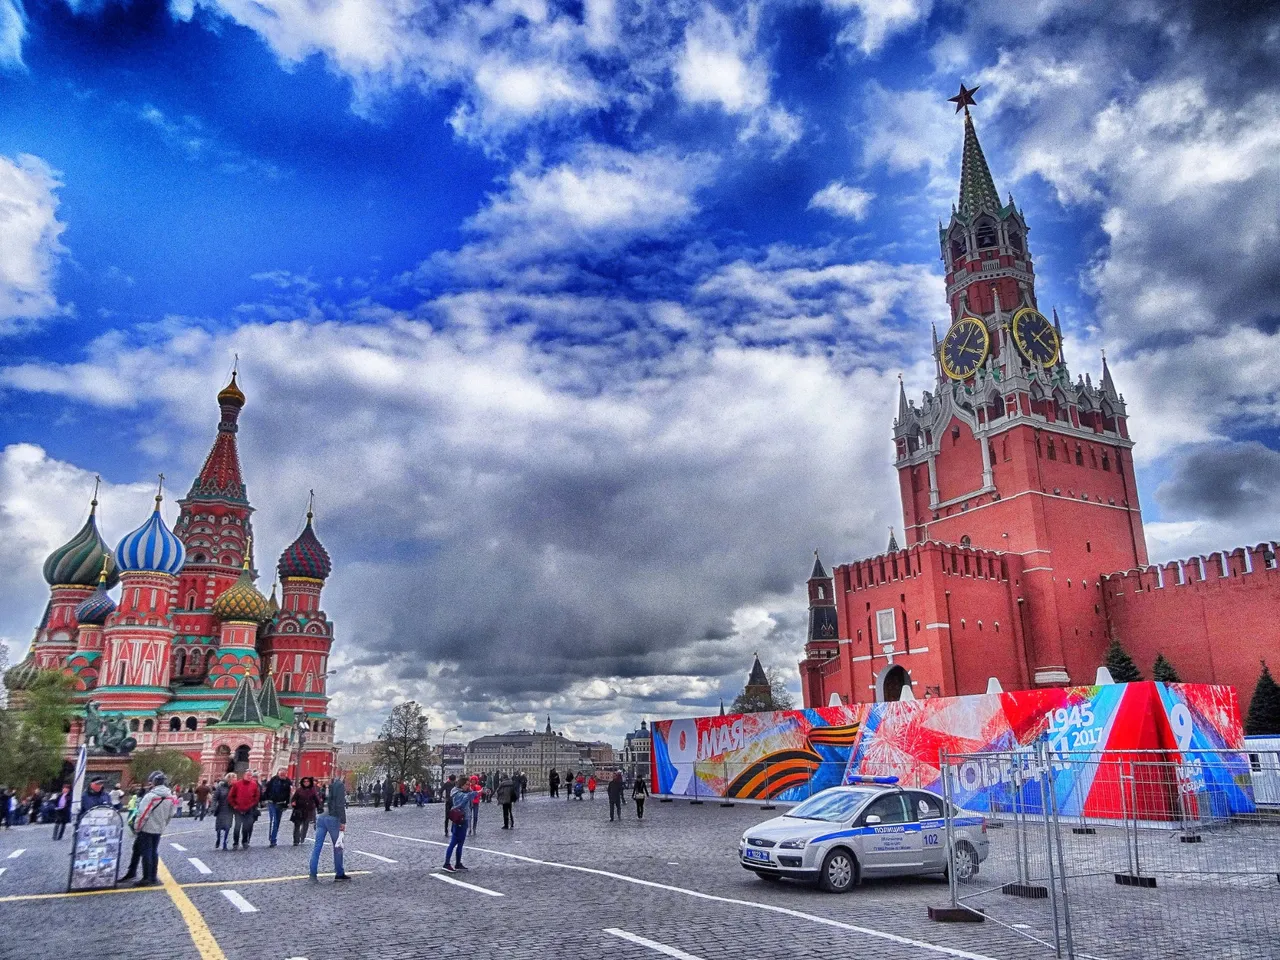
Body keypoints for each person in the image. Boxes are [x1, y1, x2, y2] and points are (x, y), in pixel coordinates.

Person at [130, 771, 177, 887]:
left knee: (146, 852)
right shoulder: (171, 797)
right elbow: (171, 813)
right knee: (154, 851)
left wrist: (137, 827)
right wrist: (163, 825)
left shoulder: (151, 796)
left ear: (154, 782)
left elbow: (143, 814)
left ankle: (147, 877)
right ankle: (153, 875)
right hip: (159, 828)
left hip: (147, 828)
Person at [309, 778, 349, 882]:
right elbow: (340, 805)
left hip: (322, 817)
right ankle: (339, 873)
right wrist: (343, 821)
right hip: (333, 817)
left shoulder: (329, 785)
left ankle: (312, 874)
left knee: (317, 847)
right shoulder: (339, 786)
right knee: (338, 846)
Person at [442, 776, 474, 873]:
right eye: (466, 785)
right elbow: (464, 800)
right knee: (453, 842)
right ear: (462, 785)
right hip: (460, 819)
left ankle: (458, 863)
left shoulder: (462, 792)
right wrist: (476, 792)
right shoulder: (459, 794)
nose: (468, 786)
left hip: (464, 819)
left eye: (469, 785)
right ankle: (446, 863)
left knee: (460, 843)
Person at [227, 769, 260, 849]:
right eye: (248, 775)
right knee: (237, 827)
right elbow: (231, 796)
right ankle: (235, 843)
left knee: (246, 827)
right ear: (244, 775)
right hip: (238, 809)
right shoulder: (237, 784)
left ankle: (245, 841)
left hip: (249, 809)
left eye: (250, 776)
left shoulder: (254, 784)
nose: (249, 777)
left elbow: (256, 796)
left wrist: (252, 804)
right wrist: (235, 806)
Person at [262, 768, 293, 847]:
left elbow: (288, 795)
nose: (282, 776)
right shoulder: (273, 780)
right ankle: (273, 839)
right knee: (274, 821)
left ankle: (273, 837)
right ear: (278, 774)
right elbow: (267, 790)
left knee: (277, 822)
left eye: (284, 774)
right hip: (272, 803)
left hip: (281, 804)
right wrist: (265, 799)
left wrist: (286, 805)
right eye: (281, 774)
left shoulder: (288, 782)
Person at [291, 776, 321, 846]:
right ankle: (296, 840)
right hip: (298, 809)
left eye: (307, 781)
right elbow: (294, 798)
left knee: (305, 825)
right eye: (304, 781)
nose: (306, 783)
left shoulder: (312, 791)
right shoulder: (299, 790)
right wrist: (293, 803)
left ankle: (302, 837)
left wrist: (319, 807)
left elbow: (316, 800)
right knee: (297, 825)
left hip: (308, 810)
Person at [212, 774, 235, 850]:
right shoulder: (220, 787)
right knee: (219, 828)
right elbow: (215, 798)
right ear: (228, 779)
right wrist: (213, 807)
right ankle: (218, 839)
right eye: (232, 778)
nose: (234, 780)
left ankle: (225, 843)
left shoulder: (234, 788)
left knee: (227, 827)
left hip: (230, 810)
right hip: (221, 809)